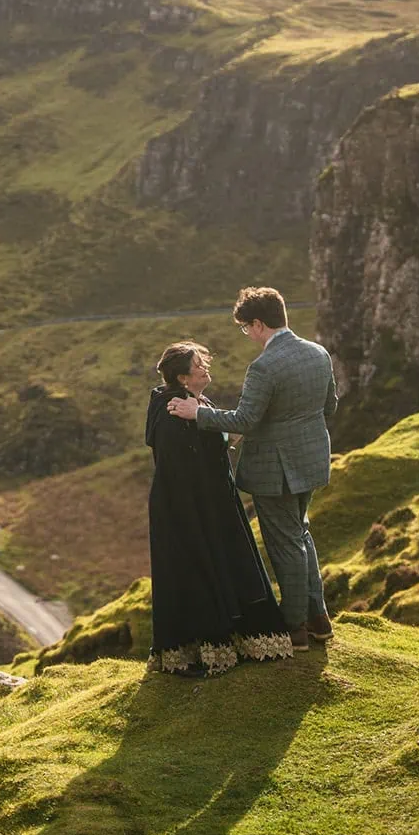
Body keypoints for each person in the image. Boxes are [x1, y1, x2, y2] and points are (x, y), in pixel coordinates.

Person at [168, 287, 339, 652]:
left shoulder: (264, 366)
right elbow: (330, 406)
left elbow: (245, 419)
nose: (247, 335)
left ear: (259, 324)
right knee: (301, 534)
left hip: (276, 471)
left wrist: (197, 413)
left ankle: (295, 627)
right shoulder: (318, 353)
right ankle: (318, 618)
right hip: (310, 462)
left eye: (246, 328)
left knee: (287, 544)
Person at [145, 341, 294, 677]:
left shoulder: (193, 403)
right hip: (191, 507)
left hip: (208, 501)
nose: (206, 367)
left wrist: (237, 428)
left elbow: (214, 441)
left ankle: (236, 642)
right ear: (183, 377)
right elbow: (183, 462)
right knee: (200, 569)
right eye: (200, 364)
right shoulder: (173, 410)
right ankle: (211, 650)